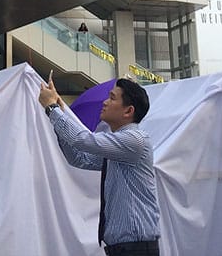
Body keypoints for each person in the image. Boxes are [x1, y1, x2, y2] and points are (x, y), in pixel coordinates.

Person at [39, 75, 160, 255]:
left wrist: (52, 108)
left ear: (128, 111)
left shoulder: (134, 140)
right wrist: (59, 114)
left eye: (112, 98)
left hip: (136, 248)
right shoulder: (119, 146)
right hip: (123, 248)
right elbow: (79, 158)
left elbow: (82, 140)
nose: (105, 102)